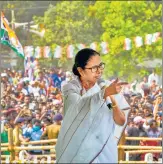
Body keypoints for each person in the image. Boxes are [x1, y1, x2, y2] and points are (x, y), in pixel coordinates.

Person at [55, 48, 126, 163]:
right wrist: (105, 93)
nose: (99, 71)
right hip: (79, 155)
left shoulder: (104, 88)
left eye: (100, 66)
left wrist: (112, 100)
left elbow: (120, 120)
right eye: (94, 68)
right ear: (81, 71)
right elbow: (80, 106)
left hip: (104, 154)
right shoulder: (70, 89)